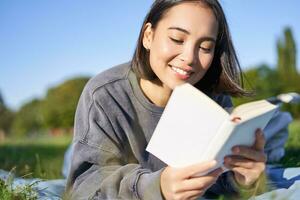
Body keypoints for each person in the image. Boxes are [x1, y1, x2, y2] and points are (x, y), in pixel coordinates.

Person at [66, 0, 267, 199]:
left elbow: (218, 181)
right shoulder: (104, 95)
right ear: (148, 36)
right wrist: (156, 187)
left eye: (205, 47)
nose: (189, 58)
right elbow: (83, 189)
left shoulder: (216, 100)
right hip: (101, 148)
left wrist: (241, 179)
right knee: (72, 160)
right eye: (177, 39)